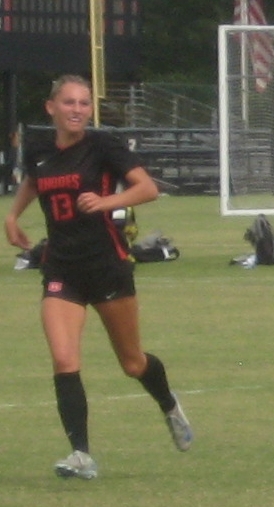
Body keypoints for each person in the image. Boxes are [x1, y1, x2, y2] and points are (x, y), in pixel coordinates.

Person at [5, 75, 191, 481]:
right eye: (69, 102)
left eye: (84, 103)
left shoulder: (103, 146)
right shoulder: (39, 149)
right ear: (51, 108)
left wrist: (108, 201)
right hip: (61, 269)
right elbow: (35, 182)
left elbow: (147, 189)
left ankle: (168, 404)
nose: (77, 110)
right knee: (64, 358)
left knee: (132, 362)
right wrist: (13, 215)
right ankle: (81, 455)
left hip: (107, 266)